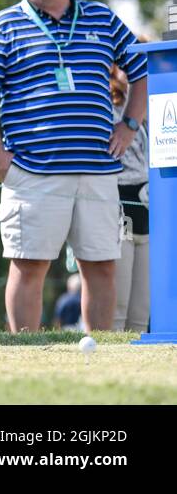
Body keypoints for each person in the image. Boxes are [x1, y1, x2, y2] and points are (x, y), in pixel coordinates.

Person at [0, 0, 147, 333]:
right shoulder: (2, 27)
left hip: (98, 171)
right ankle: (25, 352)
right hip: (32, 171)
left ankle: (99, 353)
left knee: (100, 265)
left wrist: (130, 125)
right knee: (29, 265)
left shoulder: (103, 18)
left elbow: (142, 68)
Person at [111, 62, 150, 332]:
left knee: (141, 307)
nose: (138, 71)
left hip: (148, 208)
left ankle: (135, 366)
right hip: (117, 207)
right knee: (119, 302)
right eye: (130, 64)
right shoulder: (106, 107)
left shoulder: (151, 113)